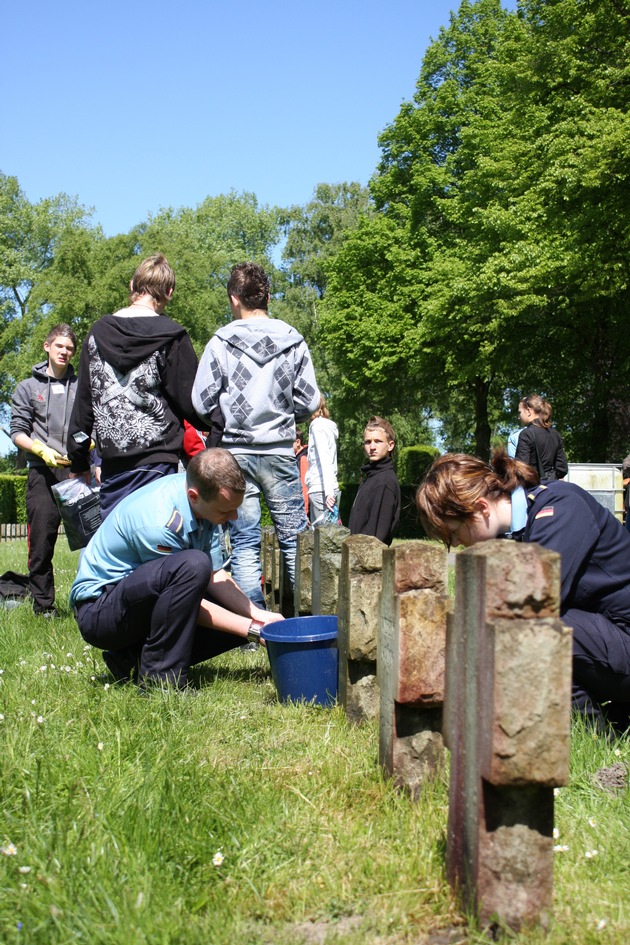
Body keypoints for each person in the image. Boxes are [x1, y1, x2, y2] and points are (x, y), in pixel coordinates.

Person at [416, 450, 630, 735]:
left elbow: (529, 607)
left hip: (623, 636)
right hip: (606, 640)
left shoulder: (559, 508)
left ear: (480, 508)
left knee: (531, 630)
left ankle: (595, 734)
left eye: (455, 534)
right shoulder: (515, 534)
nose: (457, 545)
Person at [70, 448, 283, 689]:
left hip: (136, 601)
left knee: (235, 609)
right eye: (225, 511)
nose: (233, 516)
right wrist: (252, 630)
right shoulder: (160, 522)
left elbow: (215, 574)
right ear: (194, 496)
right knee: (193, 567)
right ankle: (160, 681)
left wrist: (258, 615)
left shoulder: (203, 501)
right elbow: (181, 595)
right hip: (100, 612)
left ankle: (130, 660)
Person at [192, 262, 320, 607]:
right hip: (279, 451)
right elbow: (310, 399)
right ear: (267, 296)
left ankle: (253, 627)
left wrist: (229, 415)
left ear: (234, 298)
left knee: (244, 541)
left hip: (235, 455)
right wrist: (283, 416)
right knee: (295, 538)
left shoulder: (221, 341)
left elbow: (200, 400)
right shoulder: (292, 339)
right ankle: (304, 621)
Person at [67, 254, 205, 520]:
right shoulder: (172, 336)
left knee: (118, 547)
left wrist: (79, 461)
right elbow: (192, 404)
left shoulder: (96, 334)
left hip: (112, 468)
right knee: (155, 544)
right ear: (169, 292)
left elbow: (83, 406)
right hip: (157, 463)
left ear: (132, 285)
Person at [10, 324, 78, 616]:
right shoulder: (28, 388)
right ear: (47, 347)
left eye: (70, 348)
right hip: (42, 472)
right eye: (60, 346)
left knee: (91, 540)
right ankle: (44, 607)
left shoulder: (82, 386)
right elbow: (17, 432)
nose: (64, 352)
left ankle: (90, 604)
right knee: (41, 542)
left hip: (78, 473)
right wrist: (38, 449)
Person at [348, 416, 401, 546]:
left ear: (390, 445)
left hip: (366, 560)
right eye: (368, 442)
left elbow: (377, 537)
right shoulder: (370, 476)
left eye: (378, 441)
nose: (372, 447)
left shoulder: (385, 481)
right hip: (354, 557)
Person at [514, 394, 568, 481]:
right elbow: (562, 469)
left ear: (528, 411)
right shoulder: (555, 434)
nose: (518, 417)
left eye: (520, 412)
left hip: (534, 488)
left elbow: (521, 469)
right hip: (552, 487)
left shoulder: (527, 434)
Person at [305, 397, 340, 525]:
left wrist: (329, 493)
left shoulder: (318, 426)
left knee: (322, 540)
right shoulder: (324, 426)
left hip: (321, 490)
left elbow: (324, 458)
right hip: (324, 489)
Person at [293, 430, 310, 520]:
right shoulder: (298, 458)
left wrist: (305, 512)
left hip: (306, 510)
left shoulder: (303, 459)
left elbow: (305, 486)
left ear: (298, 442)